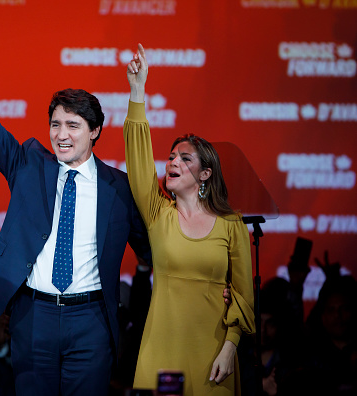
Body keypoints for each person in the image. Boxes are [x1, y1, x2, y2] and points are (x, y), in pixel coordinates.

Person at [0, 10, 151, 396]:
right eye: (55, 124)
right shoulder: (29, 164)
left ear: (95, 131)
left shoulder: (119, 188)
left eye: (73, 126)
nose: (61, 135)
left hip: (92, 321)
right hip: (34, 316)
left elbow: (152, 250)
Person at [123, 44, 255, 395]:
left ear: (205, 174)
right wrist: (138, 91)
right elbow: (137, 160)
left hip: (214, 356)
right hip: (161, 349)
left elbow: (243, 293)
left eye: (185, 158)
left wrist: (231, 347)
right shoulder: (158, 213)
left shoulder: (231, 224)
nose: (173, 162)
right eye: (170, 157)